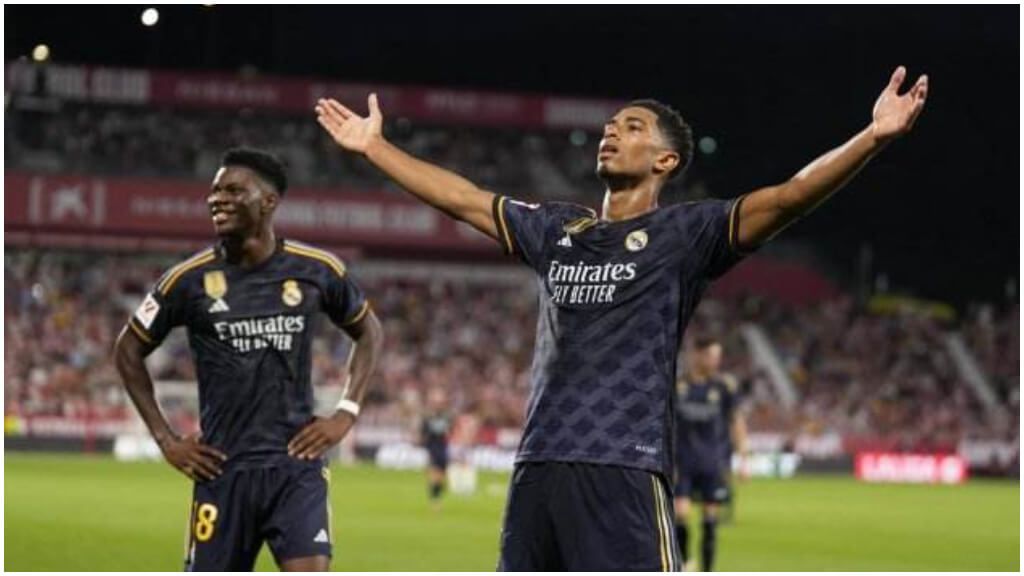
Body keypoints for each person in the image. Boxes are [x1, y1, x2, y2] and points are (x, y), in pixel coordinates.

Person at [314, 66, 927, 571]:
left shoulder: (686, 234)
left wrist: (871, 138)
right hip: (538, 468)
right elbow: (465, 199)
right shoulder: (558, 229)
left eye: (632, 128)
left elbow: (790, 196)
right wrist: (375, 147)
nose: (611, 133)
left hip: (623, 468)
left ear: (664, 161)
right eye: (609, 126)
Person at [113, 148, 384, 571]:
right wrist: (166, 440)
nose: (216, 199)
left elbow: (369, 331)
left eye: (233, 190)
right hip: (221, 470)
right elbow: (127, 350)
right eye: (214, 190)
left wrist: (346, 411)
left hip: (296, 466)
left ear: (269, 202)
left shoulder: (317, 269)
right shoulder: (187, 280)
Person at [674, 337, 747, 571]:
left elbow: (736, 421)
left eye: (718, 356)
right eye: (711, 355)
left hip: (712, 462)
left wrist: (743, 457)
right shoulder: (677, 385)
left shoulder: (724, 386)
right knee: (680, 514)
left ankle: (707, 570)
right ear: (697, 354)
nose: (716, 361)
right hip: (681, 462)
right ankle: (684, 562)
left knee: (710, 519)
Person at [420, 387, 454, 511]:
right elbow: (423, 434)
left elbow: (451, 431)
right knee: (435, 475)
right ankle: (435, 501)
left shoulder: (447, 416)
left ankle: (436, 496)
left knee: (441, 476)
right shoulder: (427, 417)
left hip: (443, 448)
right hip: (432, 448)